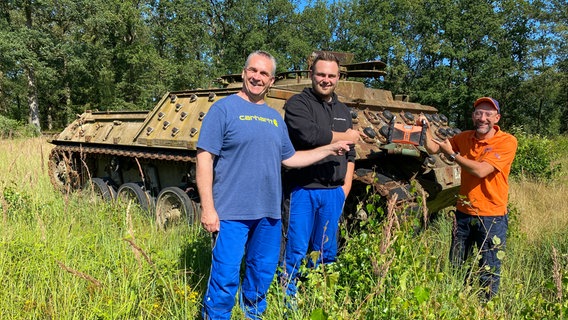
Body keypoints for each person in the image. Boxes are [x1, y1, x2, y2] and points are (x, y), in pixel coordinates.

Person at [196, 50, 351, 320]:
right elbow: (204, 159)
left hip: (268, 215)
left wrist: (330, 148)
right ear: (244, 73)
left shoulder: (274, 118)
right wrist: (208, 208)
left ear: (271, 80)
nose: (257, 77)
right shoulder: (223, 109)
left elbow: (290, 158)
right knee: (225, 275)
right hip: (231, 212)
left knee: (262, 273)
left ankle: (253, 316)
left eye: (264, 73)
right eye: (253, 71)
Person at [280, 52, 362, 298]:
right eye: (321, 74)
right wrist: (345, 135)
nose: (326, 80)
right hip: (302, 189)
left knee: (327, 251)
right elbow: (308, 135)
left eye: (331, 75)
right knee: (295, 249)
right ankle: (288, 300)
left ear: (338, 78)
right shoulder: (298, 104)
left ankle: (320, 296)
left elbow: (351, 153)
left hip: (333, 192)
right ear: (311, 75)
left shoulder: (343, 110)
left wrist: (345, 187)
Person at [421, 97, 517, 300]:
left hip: (491, 217)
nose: (483, 118)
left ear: (497, 117)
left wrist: (453, 155)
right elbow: (433, 148)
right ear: (473, 116)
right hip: (463, 214)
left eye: (488, 114)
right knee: (456, 266)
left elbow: (481, 171)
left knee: (488, 271)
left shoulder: (507, 141)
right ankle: (455, 301)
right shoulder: (464, 138)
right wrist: (425, 129)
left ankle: (485, 307)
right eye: (479, 113)